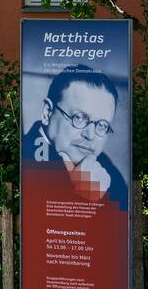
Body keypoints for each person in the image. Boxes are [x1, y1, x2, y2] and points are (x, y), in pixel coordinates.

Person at [22, 64, 128, 209]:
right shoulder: (23, 159)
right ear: (47, 113)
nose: (90, 135)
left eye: (102, 125)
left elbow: (120, 226)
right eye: (79, 117)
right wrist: (86, 199)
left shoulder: (107, 168)